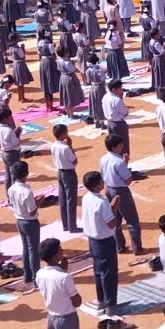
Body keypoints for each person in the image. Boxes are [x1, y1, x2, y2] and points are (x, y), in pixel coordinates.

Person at [81, 171, 119, 316]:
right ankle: (110, 306)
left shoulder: (86, 198)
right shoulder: (102, 202)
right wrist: (114, 209)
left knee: (98, 271)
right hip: (104, 241)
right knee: (109, 273)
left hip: (93, 240)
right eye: (101, 181)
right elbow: (111, 224)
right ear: (97, 185)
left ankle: (101, 301)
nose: (103, 182)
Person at [100, 133, 142, 256]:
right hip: (121, 191)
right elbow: (128, 180)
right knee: (132, 220)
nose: (122, 147)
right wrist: (125, 164)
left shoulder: (103, 159)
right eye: (119, 145)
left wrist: (124, 163)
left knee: (116, 219)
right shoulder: (118, 162)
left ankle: (120, 245)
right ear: (114, 147)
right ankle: (137, 248)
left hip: (109, 189)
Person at [6, 161, 44, 285]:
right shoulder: (26, 192)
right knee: (33, 250)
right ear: (26, 173)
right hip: (30, 222)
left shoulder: (11, 189)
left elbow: (14, 204)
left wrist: (34, 202)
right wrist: (38, 202)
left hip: (19, 220)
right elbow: (31, 212)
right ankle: (35, 277)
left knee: (26, 248)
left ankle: (27, 275)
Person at [49, 123, 80, 233]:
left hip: (60, 172)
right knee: (71, 199)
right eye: (66, 132)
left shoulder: (53, 145)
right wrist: (70, 146)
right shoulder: (66, 148)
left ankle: (65, 225)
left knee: (62, 199)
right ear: (63, 134)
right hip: (68, 173)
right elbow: (74, 161)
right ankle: (72, 226)